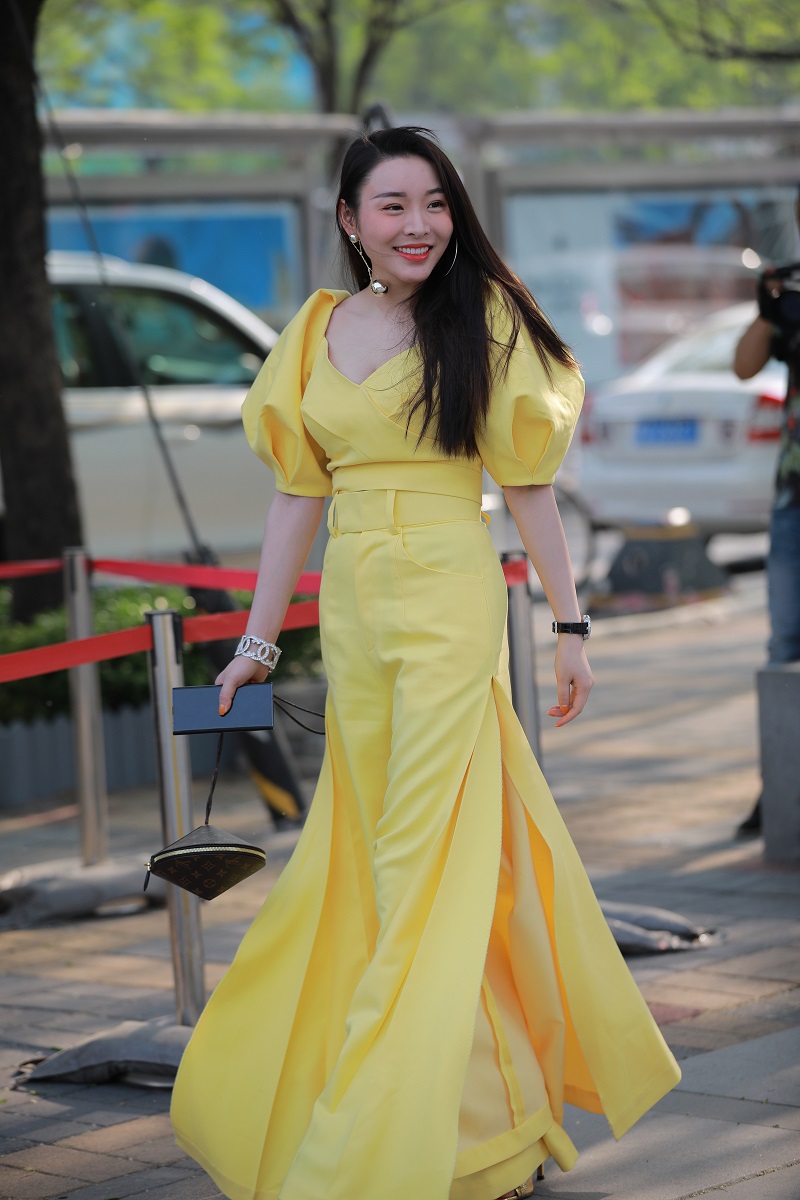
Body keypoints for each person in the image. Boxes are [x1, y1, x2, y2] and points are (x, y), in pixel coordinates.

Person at [171, 126, 680, 1200]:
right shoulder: (314, 330)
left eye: (436, 204)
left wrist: (570, 627)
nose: (419, 225)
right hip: (354, 609)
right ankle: (477, 1122)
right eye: (393, 206)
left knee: (420, 858)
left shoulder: (483, 318)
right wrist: (256, 643)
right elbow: (296, 498)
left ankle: (380, 1134)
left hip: (450, 593)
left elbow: (527, 485)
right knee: (372, 858)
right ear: (349, 220)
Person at [733, 197, 800, 837]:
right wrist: (767, 307)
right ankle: (781, 788)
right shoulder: (793, 296)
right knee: (785, 644)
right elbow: (744, 365)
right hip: (793, 500)